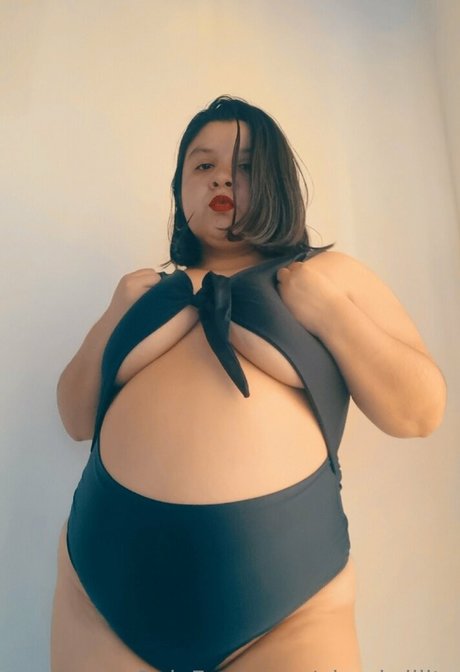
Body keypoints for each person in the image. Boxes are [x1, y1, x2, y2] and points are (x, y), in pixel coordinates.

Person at [50, 95, 446, 672]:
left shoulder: (329, 275)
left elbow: (420, 412)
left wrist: (330, 310)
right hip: (104, 585)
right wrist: (113, 315)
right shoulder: (142, 289)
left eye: (246, 165)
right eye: (203, 165)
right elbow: (73, 418)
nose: (222, 177)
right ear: (180, 189)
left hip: (289, 602)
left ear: (278, 182)